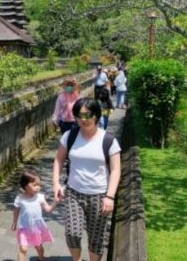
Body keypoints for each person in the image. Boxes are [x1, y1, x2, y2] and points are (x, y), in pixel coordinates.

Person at [52, 98, 121, 261]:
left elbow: (116, 170)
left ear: (96, 115)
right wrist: (56, 183)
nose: (83, 119)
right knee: (72, 233)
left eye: (88, 114)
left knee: (96, 238)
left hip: (99, 195)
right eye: (79, 115)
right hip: (73, 193)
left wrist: (110, 196)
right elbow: (59, 160)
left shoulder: (109, 141)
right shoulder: (70, 136)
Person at [11, 169, 59, 261]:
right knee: (23, 249)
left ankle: (41, 257)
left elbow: (48, 209)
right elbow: (16, 210)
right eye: (35, 185)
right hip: (24, 228)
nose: (38, 187)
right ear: (25, 186)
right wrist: (14, 222)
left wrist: (55, 202)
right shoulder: (20, 198)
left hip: (37, 228)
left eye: (39, 185)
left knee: (39, 247)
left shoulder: (40, 197)